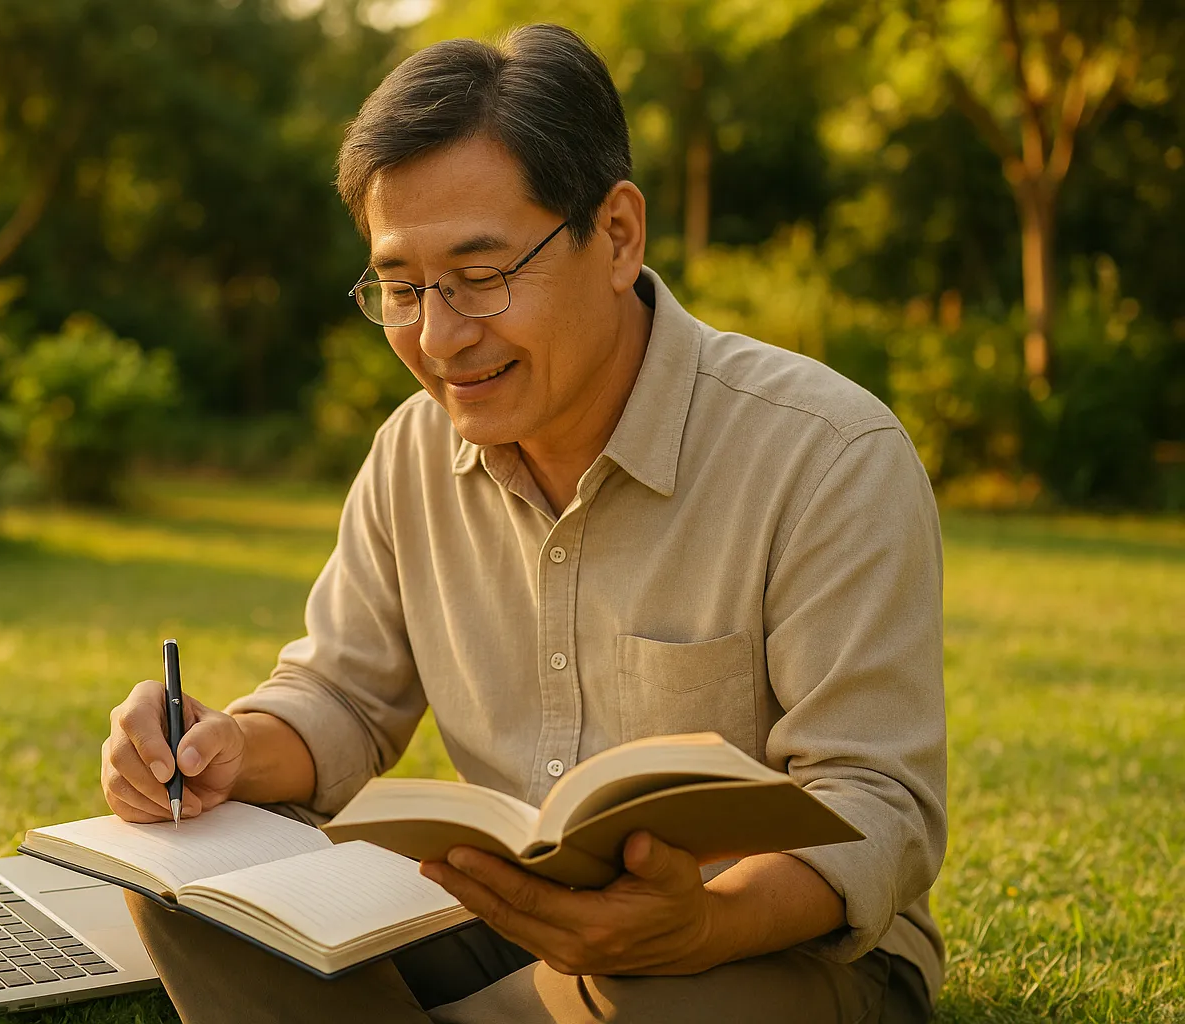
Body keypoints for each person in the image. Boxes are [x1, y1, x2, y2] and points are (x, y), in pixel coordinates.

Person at [99, 23, 945, 1024]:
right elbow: (342, 695)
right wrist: (224, 745)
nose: (439, 336)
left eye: (482, 274)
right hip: (495, 906)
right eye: (402, 287)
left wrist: (698, 927)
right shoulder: (413, 451)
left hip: (750, 940)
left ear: (618, 236)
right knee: (200, 899)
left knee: (668, 1004)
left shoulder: (826, 452)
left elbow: (872, 804)